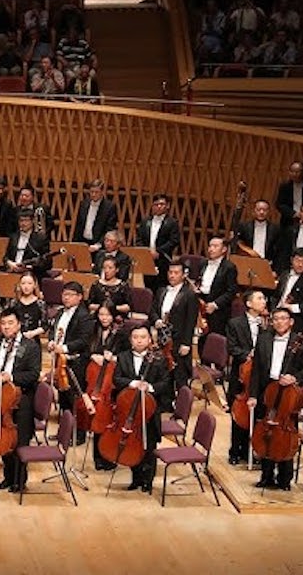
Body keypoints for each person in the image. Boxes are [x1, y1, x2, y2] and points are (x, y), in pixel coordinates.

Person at [249, 308, 303, 490]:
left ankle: (284, 478)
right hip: (268, 389)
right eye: (275, 319)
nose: (279, 322)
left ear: (291, 321)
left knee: (285, 433)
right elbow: (256, 370)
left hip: (289, 392)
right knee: (267, 432)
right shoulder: (264, 339)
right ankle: (266, 476)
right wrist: (252, 395)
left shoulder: (302, 343)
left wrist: (295, 378)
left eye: (283, 318)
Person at [0, 308, 41, 492]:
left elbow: (33, 374)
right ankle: (7, 477)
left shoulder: (31, 346)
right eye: (3, 323)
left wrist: (12, 377)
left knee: (19, 440)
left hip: (21, 399)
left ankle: (19, 481)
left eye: (10, 323)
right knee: (3, 438)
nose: (6, 327)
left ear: (18, 324)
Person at [108, 324, 170, 493]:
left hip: (150, 410)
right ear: (130, 340)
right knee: (132, 445)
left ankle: (148, 481)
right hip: (129, 410)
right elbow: (116, 379)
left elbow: (165, 383)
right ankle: (135, 479)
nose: (139, 341)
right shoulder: (123, 357)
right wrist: (132, 383)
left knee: (149, 446)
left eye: (143, 337)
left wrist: (150, 387)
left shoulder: (158, 359)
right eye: (135, 337)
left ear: (149, 340)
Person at [47, 281, 95, 442]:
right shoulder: (60, 312)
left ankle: (78, 435)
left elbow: (84, 340)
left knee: (75, 398)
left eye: (70, 295)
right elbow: (54, 331)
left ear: (79, 297)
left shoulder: (85, 316)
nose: (66, 298)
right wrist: (51, 342)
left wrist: (64, 348)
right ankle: (64, 432)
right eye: (64, 294)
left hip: (76, 362)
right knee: (63, 397)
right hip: (60, 361)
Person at [226, 290, 267, 465]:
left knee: (259, 415)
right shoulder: (235, 323)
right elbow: (232, 348)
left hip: (261, 376)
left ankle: (253, 450)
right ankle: (235, 451)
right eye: (260, 298)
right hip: (242, 375)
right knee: (239, 415)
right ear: (249, 304)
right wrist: (247, 355)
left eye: (264, 298)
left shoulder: (268, 324)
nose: (263, 301)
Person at [150, 262, 199, 406]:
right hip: (162, 339)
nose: (172, 275)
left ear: (183, 275)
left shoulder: (189, 295)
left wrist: (186, 343)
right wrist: (157, 320)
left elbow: (190, 321)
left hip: (179, 340)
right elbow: (152, 310)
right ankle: (166, 403)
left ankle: (182, 407)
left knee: (180, 375)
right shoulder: (161, 291)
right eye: (170, 272)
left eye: (176, 273)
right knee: (164, 372)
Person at [87, 304, 127, 471]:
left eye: (107, 315)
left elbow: (125, 356)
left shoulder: (121, 334)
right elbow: (85, 349)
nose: (104, 318)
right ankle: (97, 457)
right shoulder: (93, 330)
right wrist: (92, 355)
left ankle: (109, 455)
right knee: (97, 418)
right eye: (101, 314)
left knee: (109, 421)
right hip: (96, 381)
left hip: (111, 383)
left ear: (113, 316)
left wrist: (113, 358)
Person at [135, 194, 181, 291]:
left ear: (167, 206)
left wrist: (158, 251)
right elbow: (139, 239)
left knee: (161, 287)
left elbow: (174, 241)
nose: (159, 206)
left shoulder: (172, 223)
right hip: (147, 259)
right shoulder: (145, 221)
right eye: (156, 204)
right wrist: (146, 251)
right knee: (147, 286)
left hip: (163, 260)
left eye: (162, 204)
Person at [274, 249, 303, 338]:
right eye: (297, 261)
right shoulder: (285, 274)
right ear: (292, 260)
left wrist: (294, 307)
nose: (300, 265)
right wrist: (273, 310)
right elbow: (276, 295)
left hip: (297, 317)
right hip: (277, 311)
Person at [4, 210, 51, 278]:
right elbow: (6, 257)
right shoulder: (14, 237)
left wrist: (28, 267)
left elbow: (47, 262)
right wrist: (10, 263)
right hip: (13, 272)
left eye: (26, 221)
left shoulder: (41, 238)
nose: (23, 223)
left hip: (32, 274)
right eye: (21, 221)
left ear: (33, 221)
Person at [72, 179, 117, 251]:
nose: (93, 194)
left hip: (98, 246)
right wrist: (75, 243)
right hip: (82, 242)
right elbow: (78, 226)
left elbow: (109, 230)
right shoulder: (84, 204)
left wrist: (99, 244)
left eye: (96, 192)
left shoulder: (109, 207)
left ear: (102, 192)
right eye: (91, 192)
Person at [11, 273, 47, 338]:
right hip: (16, 338)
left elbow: (45, 326)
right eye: (23, 283)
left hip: (33, 338)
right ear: (20, 285)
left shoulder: (40, 304)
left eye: (29, 283)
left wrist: (33, 333)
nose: (26, 287)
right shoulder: (14, 303)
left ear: (34, 285)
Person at [275, 161, 303, 225]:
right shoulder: (285, 186)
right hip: (289, 220)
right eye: (292, 171)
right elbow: (280, 204)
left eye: (297, 172)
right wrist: (293, 213)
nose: (294, 174)